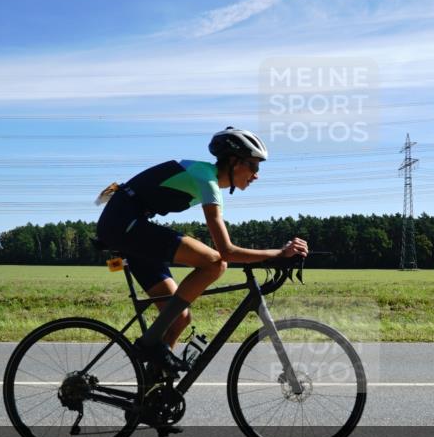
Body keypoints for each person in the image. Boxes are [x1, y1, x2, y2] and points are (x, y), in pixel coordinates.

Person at [95, 126, 308, 381]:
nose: (256, 175)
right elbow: (226, 252)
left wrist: (276, 255)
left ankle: (153, 393)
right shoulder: (205, 178)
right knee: (215, 264)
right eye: (254, 166)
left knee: (179, 319)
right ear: (233, 162)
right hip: (124, 225)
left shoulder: (206, 179)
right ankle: (150, 342)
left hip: (128, 226)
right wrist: (278, 254)